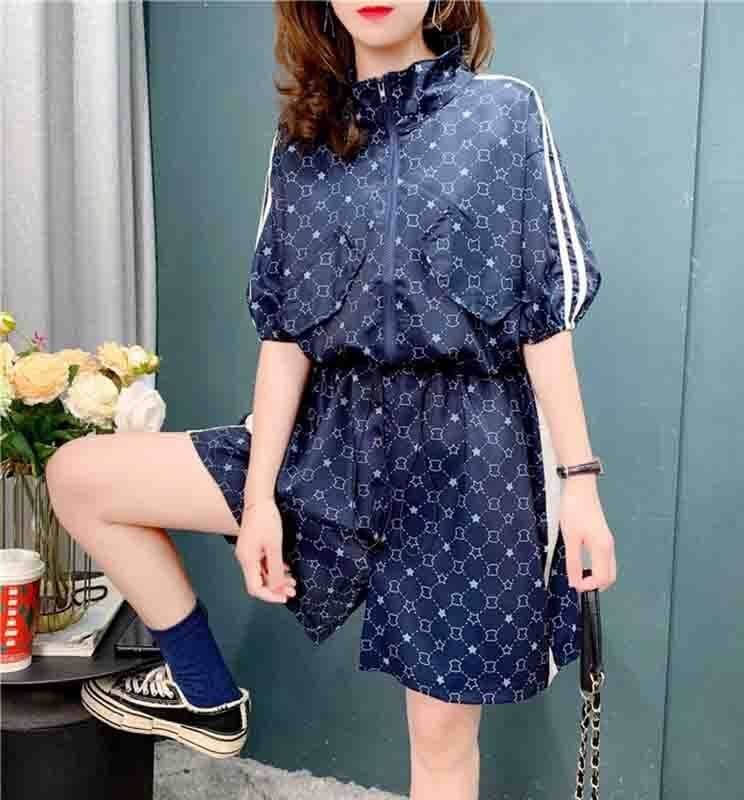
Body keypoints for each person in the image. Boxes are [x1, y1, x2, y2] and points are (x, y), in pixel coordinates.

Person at [45, 0, 617, 794]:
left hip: (468, 460)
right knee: (79, 475)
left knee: (440, 741)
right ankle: (203, 691)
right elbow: (286, 336)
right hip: (329, 442)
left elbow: (543, 318)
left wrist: (579, 485)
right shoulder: (303, 141)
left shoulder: (504, 115)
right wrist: (258, 499)